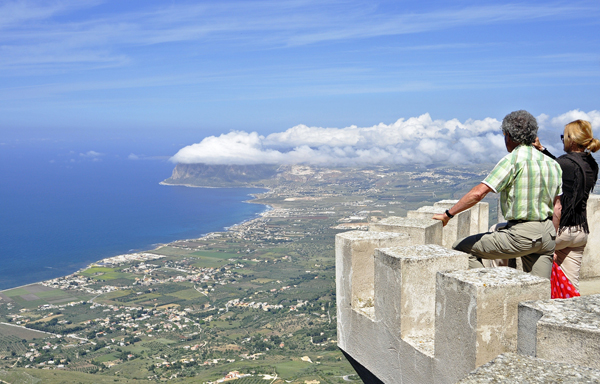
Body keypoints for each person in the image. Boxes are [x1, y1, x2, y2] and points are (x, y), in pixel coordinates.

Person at [433, 110, 562, 278]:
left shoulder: (513, 160)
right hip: (547, 233)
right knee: (539, 291)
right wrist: (552, 239)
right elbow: (557, 207)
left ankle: (488, 290)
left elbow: (478, 194)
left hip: (521, 233)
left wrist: (448, 214)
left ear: (508, 135)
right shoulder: (552, 163)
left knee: (461, 249)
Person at [533, 120, 599, 290]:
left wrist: (551, 239)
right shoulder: (592, 164)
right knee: (571, 285)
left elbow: (558, 207)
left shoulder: (563, 163)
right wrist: (542, 150)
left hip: (560, 231)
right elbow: (568, 170)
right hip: (580, 232)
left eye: (564, 137)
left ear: (571, 139)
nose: (562, 140)